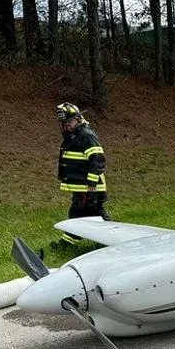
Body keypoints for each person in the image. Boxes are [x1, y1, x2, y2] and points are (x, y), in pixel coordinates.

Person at [55, 102, 110, 245]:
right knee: (81, 213)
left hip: (90, 187)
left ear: (78, 119)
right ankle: (70, 242)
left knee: (88, 214)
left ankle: (110, 240)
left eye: (69, 122)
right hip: (83, 186)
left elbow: (97, 159)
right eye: (63, 123)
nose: (66, 126)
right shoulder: (73, 136)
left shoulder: (85, 135)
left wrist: (91, 183)